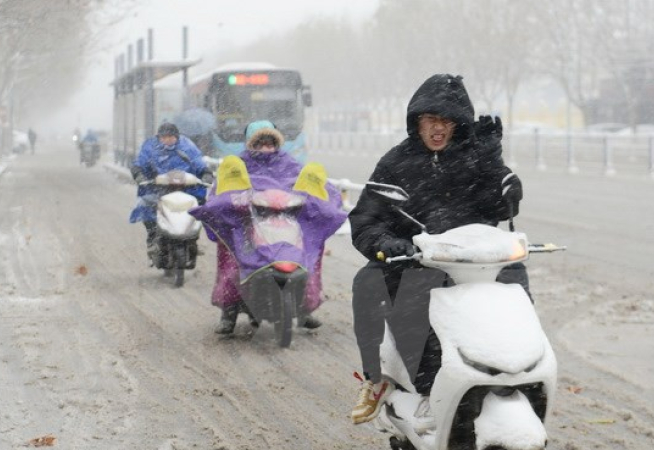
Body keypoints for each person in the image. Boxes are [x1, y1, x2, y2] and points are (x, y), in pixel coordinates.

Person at [347, 74, 528, 425]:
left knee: (515, 280)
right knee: (367, 285)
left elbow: (504, 207)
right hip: (415, 261)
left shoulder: (477, 157)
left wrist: (492, 160)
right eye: (430, 120)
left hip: (475, 263)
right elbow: (365, 220)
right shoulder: (395, 163)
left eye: (446, 120)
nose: (438, 129)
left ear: (458, 124)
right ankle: (377, 379)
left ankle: (514, 373)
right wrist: (387, 244)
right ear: (417, 123)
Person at [197, 120, 344, 335]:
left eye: (270, 143)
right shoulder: (238, 165)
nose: (266, 148)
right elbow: (223, 191)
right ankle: (229, 312)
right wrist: (232, 205)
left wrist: (316, 200)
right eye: (260, 143)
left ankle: (304, 309)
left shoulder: (288, 163)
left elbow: (306, 183)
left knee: (309, 253)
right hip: (247, 223)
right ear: (250, 144)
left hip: (286, 221)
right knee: (231, 257)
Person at [128, 122, 213, 260]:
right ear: (159, 137)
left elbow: (198, 162)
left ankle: (193, 237)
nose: (167, 140)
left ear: (177, 137)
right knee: (145, 205)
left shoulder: (187, 146)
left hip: (187, 189)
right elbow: (140, 163)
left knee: (200, 208)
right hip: (157, 189)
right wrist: (139, 174)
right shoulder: (150, 147)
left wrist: (206, 173)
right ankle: (152, 237)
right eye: (164, 137)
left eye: (171, 137)